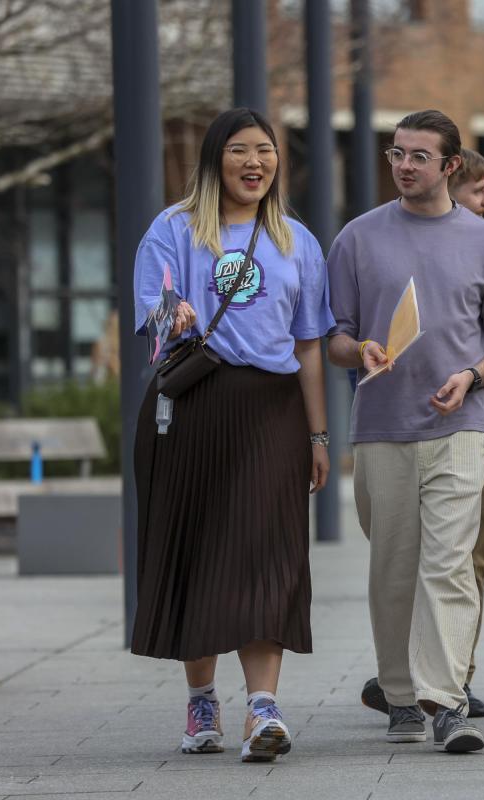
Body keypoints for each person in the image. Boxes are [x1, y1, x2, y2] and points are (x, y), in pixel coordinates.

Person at [327, 110, 484, 753]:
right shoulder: (356, 239)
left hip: (462, 426)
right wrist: (358, 348)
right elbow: (330, 337)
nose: (405, 165)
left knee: (448, 566)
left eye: (419, 155)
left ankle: (446, 701)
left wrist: (473, 377)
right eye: (397, 153)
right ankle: (398, 697)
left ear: (450, 166)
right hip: (381, 428)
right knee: (392, 569)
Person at [131, 107, 332, 762]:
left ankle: (263, 709)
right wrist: (174, 310)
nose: (255, 162)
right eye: (241, 150)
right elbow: (149, 319)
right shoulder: (173, 229)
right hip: (194, 405)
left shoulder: (296, 240)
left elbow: (308, 348)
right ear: (216, 158)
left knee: (267, 554)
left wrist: (318, 436)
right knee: (198, 549)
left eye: (266, 151)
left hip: (272, 411)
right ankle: (200, 700)